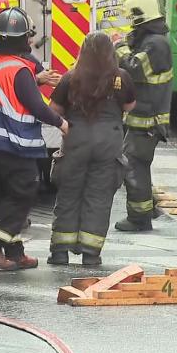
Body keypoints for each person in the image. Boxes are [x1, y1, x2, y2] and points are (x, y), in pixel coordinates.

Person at [0, 7, 69, 271]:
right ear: (21, 39)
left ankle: (15, 252)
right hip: (17, 145)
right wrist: (62, 124)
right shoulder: (19, 70)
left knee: (7, 197)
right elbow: (36, 106)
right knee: (24, 195)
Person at [48, 32, 136, 266]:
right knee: (99, 197)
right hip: (109, 142)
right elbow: (130, 105)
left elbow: (53, 109)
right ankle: (91, 254)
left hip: (76, 140)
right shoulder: (121, 77)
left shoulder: (70, 77)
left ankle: (60, 251)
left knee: (68, 194)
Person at [112, 0, 172, 233]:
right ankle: (149, 208)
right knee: (138, 164)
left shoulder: (155, 44)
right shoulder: (151, 40)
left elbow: (134, 68)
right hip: (144, 118)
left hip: (148, 120)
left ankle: (139, 218)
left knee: (133, 165)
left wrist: (119, 47)